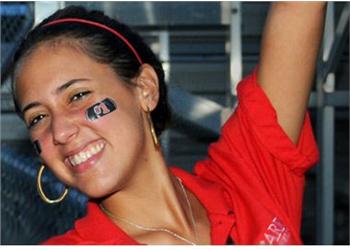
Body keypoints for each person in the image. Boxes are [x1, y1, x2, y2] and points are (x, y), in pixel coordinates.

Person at [12, 2, 326, 245]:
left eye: (78, 95)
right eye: (38, 117)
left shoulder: (250, 177)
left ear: (144, 89)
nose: (60, 131)